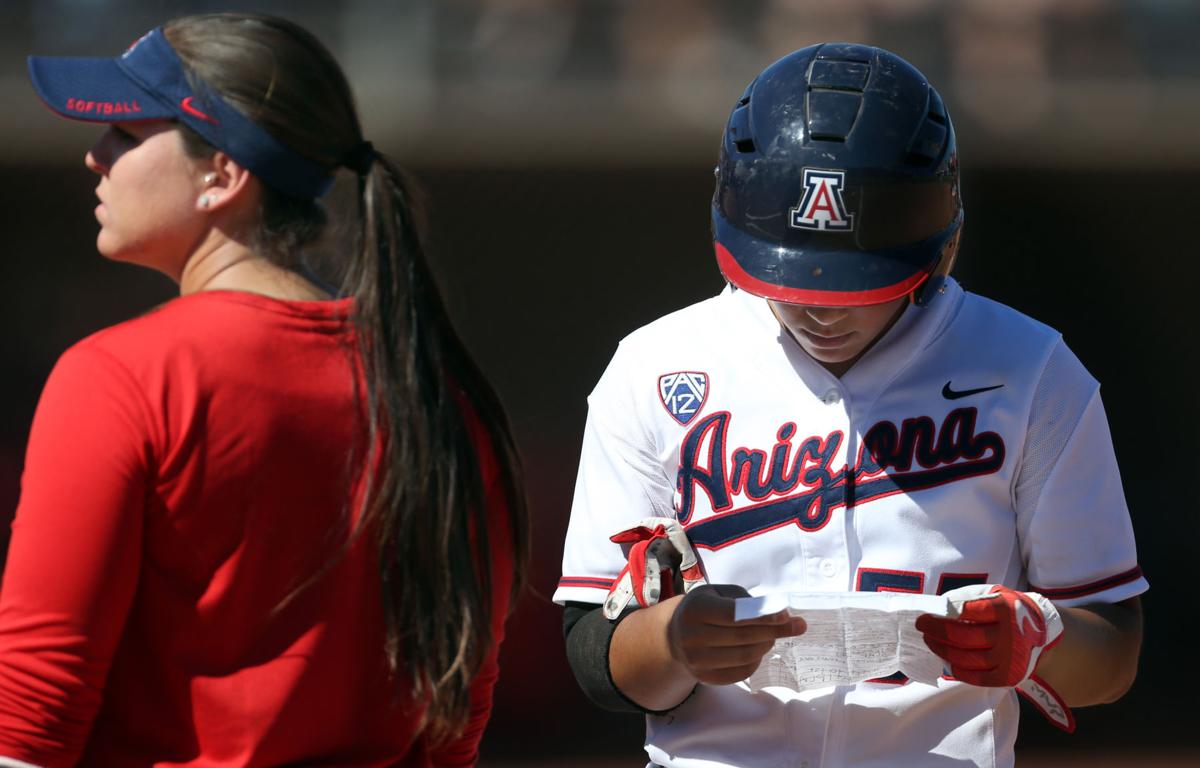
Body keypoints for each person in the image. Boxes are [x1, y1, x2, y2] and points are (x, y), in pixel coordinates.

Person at [555, 43, 1145, 768]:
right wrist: (673, 640)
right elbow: (594, 649)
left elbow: (1113, 650)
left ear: (941, 246)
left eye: (854, 283)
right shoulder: (653, 367)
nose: (822, 310)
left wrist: (1039, 639)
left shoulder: (1030, 368)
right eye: (792, 281)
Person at [0, 12, 527, 767]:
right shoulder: (436, 386)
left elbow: (32, 709)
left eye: (126, 132)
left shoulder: (122, 374)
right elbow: (456, 711)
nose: (95, 155)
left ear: (222, 175)